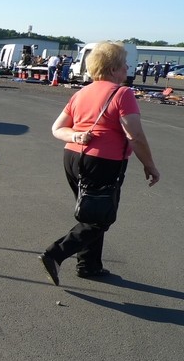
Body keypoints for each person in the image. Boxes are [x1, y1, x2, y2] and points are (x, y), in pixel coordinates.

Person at [38, 42, 160, 285]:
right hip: (103, 161)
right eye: (124, 63)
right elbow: (135, 135)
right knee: (100, 218)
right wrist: (150, 165)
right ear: (114, 68)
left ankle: (89, 265)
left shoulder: (81, 93)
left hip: (73, 157)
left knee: (90, 211)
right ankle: (55, 253)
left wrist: (75, 136)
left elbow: (57, 128)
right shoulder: (122, 93)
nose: (127, 67)